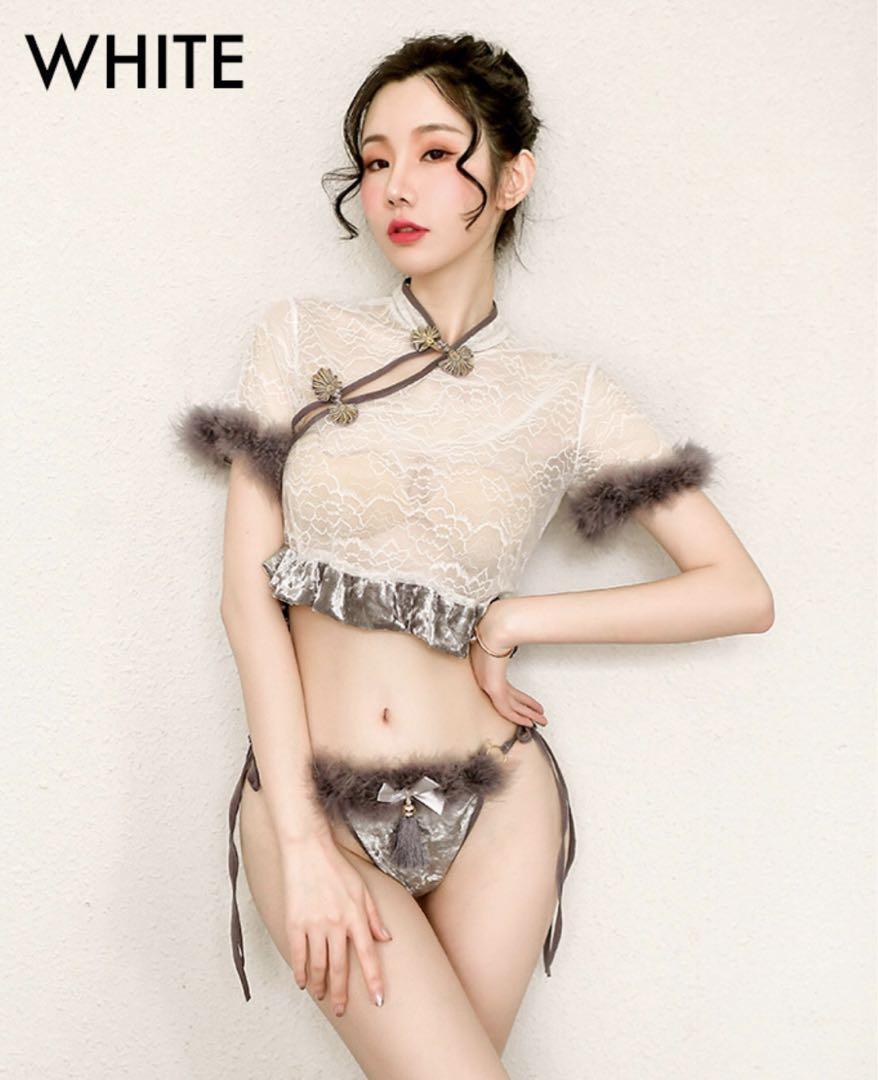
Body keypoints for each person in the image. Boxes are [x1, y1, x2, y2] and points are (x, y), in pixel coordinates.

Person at [172, 32, 773, 1078]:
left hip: (498, 806)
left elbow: (738, 591)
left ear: (509, 177)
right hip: (313, 803)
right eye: (374, 160)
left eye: (436, 153)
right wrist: (302, 842)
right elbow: (244, 598)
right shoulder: (299, 337)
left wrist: (515, 619)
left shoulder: (567, 395)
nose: (396, 186)